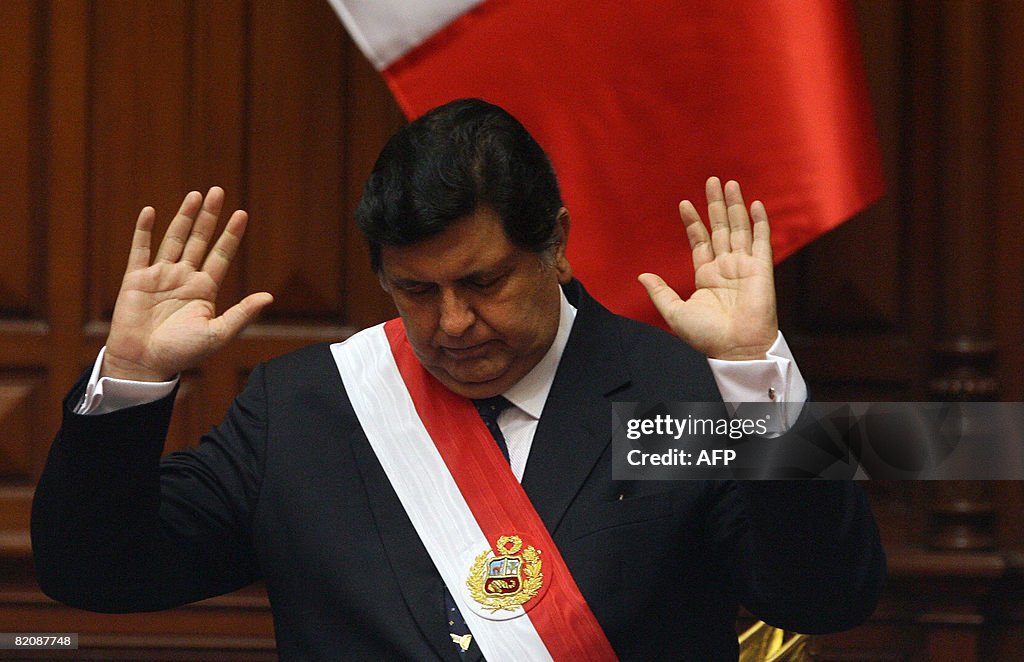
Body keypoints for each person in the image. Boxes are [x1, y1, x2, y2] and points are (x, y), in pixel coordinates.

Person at [32, 98, 885, 661]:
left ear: (554, 244)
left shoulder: (682, 396)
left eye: (482, 283)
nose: (451, 325)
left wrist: (758, 383)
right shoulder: (302, 410)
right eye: (415, 290)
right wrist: (135, 378)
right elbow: (97, 573)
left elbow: (826, 595)